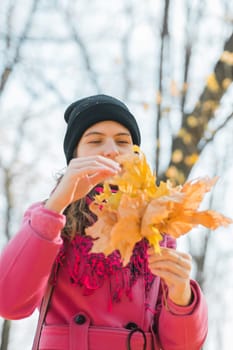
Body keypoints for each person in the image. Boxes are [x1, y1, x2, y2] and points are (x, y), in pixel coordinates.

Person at [0, 94, 208, 350]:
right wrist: (56, 204)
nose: (111, 149)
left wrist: (180, 294)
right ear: (74, 156)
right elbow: (9, 303)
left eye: (123, 141)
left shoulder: (156, 229)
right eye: (95, 140)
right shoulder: (50, 217)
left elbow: (183, 345)